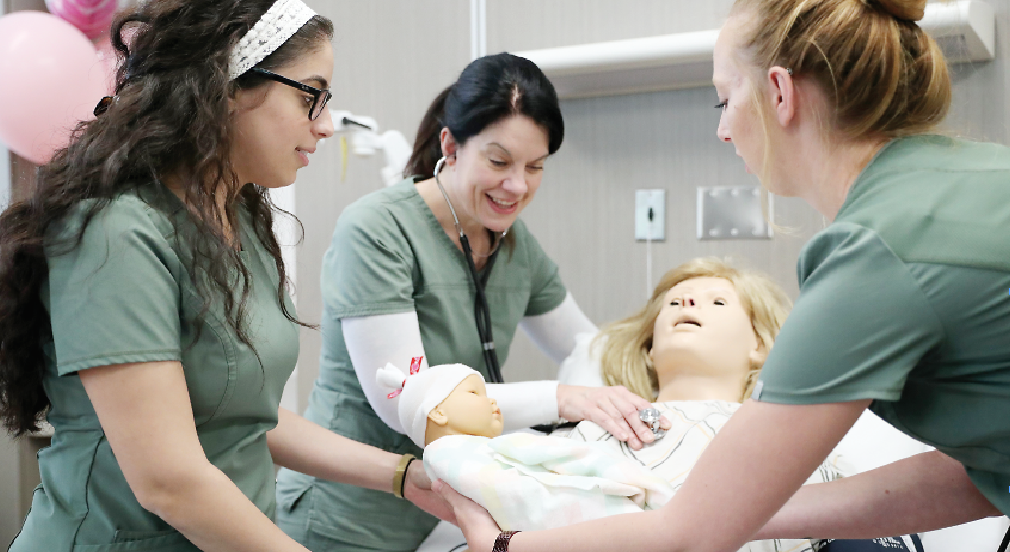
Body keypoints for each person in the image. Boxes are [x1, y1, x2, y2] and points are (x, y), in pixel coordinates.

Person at [433, 1, 1010, 551]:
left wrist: (503, 546)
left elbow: (689, 536)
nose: (724, 130)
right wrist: (749, 507)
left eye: (724, 100)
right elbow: (985, 472)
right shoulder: (977, 177)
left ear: (779, 94)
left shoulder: (875, 254)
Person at [0, 2, 446, 551]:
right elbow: (171, 482)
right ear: (223, 87)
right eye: (312, 95)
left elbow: (245, 415)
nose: (326, 125)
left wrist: (404, 476)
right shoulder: (115, 232)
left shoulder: (241, 224)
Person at [274, 52, 667, 551]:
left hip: (445, 513)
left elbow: (589, 347)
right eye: (499, 162)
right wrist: (566, 399)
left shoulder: (516, 247)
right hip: (344, 516)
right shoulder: (378, 230)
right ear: (451, 146)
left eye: (535, 167)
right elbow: (407, 401)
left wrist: (644, 389)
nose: (517, 186)